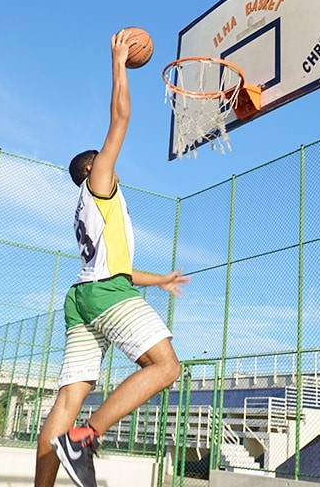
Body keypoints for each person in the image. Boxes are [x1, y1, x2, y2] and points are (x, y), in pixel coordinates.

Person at [34, 29, 191, 487]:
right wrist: (119, 62)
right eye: (103, 158)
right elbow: (120, 117)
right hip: (105, 294)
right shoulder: (98, 180)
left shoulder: (88, 208)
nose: (113, 161)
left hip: (83, 296)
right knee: (166, 366)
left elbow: (113, 267)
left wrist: (158, 280)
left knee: (66, 401)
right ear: (91, 168)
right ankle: (85, 437)